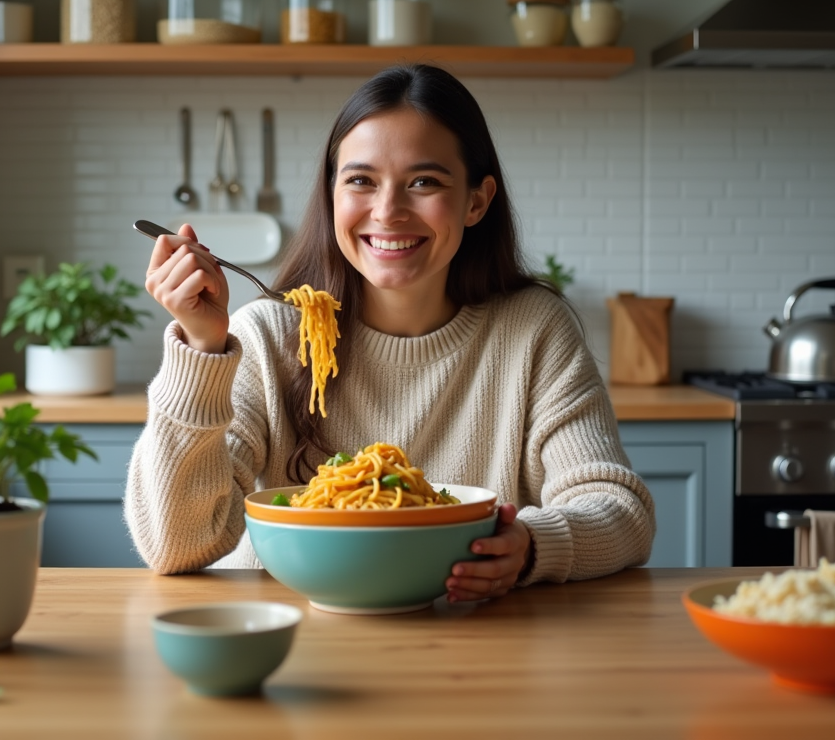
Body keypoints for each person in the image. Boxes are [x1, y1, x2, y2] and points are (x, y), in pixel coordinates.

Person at [126, 64, 654, 602]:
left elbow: (618, 508)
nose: (387, 212)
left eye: (424, 182)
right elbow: (176, 545)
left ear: (476, 200)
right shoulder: (269, 335)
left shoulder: (533, 330)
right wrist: (200, 345)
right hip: (290, 638)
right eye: (361, 181)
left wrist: (531, 545)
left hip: (472, 644)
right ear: (332, 194)